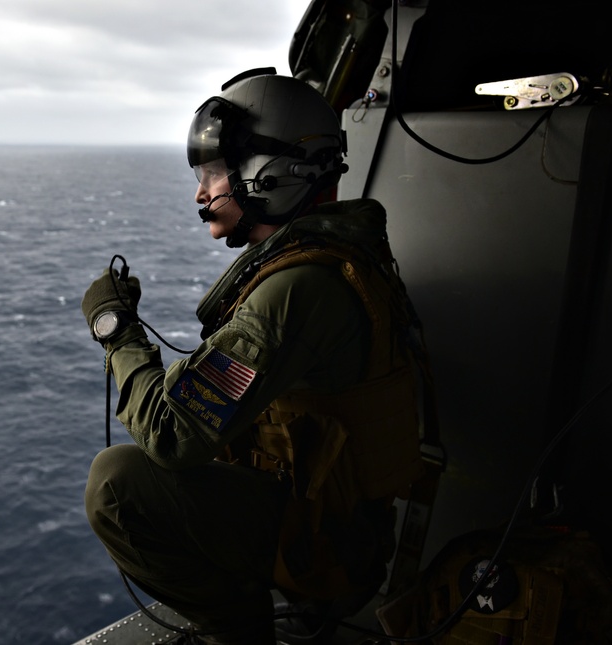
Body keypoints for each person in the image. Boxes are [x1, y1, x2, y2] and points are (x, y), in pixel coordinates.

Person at [80, 68, 429, 644]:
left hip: (327, 544)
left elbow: (171, 435)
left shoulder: (302, 288)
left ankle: (237, 632)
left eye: (213, 174)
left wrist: (116, 330)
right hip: (332, 516)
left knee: (116, 484)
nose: (201, 193)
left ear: (271, 174)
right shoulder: (337, 258)